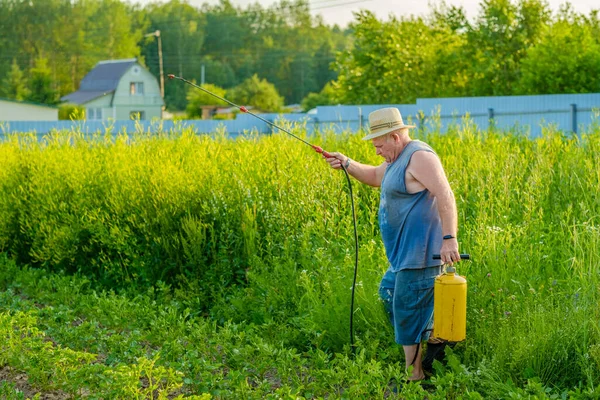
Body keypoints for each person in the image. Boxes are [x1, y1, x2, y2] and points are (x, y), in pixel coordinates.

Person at [323, 107, 461, 381]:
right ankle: (436, 341)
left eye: (379, 144)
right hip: (402, 256)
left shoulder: (419, 156)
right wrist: (347, 163)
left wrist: (449, 239)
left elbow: (445, 194)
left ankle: (415, 377)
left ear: (395, 137)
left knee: (407, 313)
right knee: (389, 294)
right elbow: (375, 176)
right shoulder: (394, 161)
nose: (376, 151)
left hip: (421, 254)